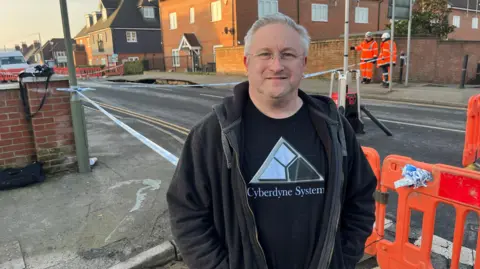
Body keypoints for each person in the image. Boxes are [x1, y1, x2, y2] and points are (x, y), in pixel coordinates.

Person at [167, 12, 377, 269]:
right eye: (264, 54)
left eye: (288, 54)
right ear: (247, 62)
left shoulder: (335, 128)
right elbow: (187, 213)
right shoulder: (214, 133)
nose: (276, 65)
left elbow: (361, 198)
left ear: (304, 63)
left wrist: (342, 259)